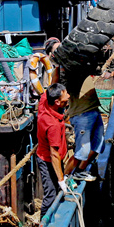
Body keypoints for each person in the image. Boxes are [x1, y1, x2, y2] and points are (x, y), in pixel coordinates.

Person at [62, 71, 108, 182]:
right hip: (81, 114)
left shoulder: (84, 68)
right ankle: (64, 179)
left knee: (98, 146)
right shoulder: (68, 73)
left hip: (94, 109)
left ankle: (80, 171)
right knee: (82, 151)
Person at [36, 83, 73, 219]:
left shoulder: (45, 102)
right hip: (47, 161)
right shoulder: (53, 126)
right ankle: (42, 225)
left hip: (47, 155)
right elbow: (54, 155)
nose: (68, 96)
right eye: (65, 95)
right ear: (57, 102)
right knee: (51, 194)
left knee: (54, 191)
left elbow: (49, 88)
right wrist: (61, 180)